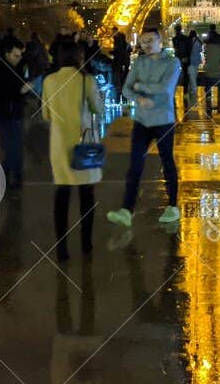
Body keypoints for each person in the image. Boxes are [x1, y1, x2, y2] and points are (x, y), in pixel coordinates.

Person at [107, 26, 181, 228]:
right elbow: (126, 89)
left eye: (150, 40)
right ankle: (126, 210)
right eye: (143, 41)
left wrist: (140, 87)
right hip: (142, 120)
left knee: (167, 163)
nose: (146, 45)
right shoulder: (139, 62)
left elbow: (166, 90)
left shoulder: (173, 62)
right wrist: (138, 97)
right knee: (135, 166)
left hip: (163, 120)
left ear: (160, 41)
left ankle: (173, 205)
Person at [42, 39, 105, 259]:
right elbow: (98, 109)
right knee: (86, 194)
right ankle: (86, 242)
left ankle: (61, 247)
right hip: (83, 142)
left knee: (62, 194)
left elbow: (45, 114)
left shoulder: (49, 81)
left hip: (59, 144)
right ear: (80, 57)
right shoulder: (86, 80)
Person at [0, 37, 33, 188]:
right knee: (13, 146)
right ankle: (10, 174)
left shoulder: (13, 68)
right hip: (4, 114)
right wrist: (22, 91)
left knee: (14, 146)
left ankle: (11, 174)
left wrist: (22, 92)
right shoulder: (0, 70)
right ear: (7, 54)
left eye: (20, 56)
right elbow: (3, 94)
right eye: (16, 55)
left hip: (12, 113)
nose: (19, 59)